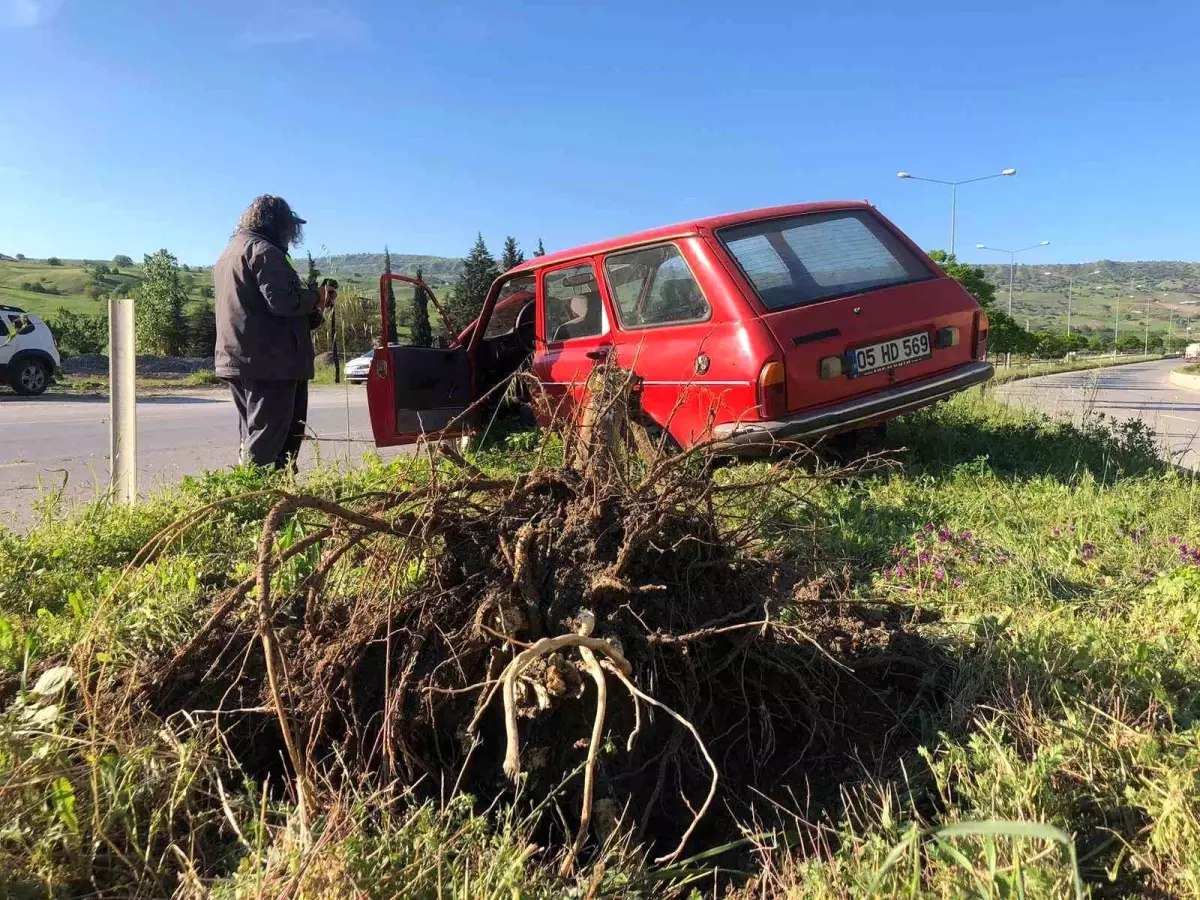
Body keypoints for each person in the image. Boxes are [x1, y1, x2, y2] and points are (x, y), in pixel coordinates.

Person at [214, 195, 336, 470]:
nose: (293, 233)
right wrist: (316, 296)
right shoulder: (265, 252)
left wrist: (314, 309)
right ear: (275, 222)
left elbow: (261, 309)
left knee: (254, 434)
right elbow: (283, 302)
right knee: (272, 440)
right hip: (272, 363)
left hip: (242, 358)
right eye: (290, 226)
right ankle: (261, 500)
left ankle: (262, 497)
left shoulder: (231, 252)